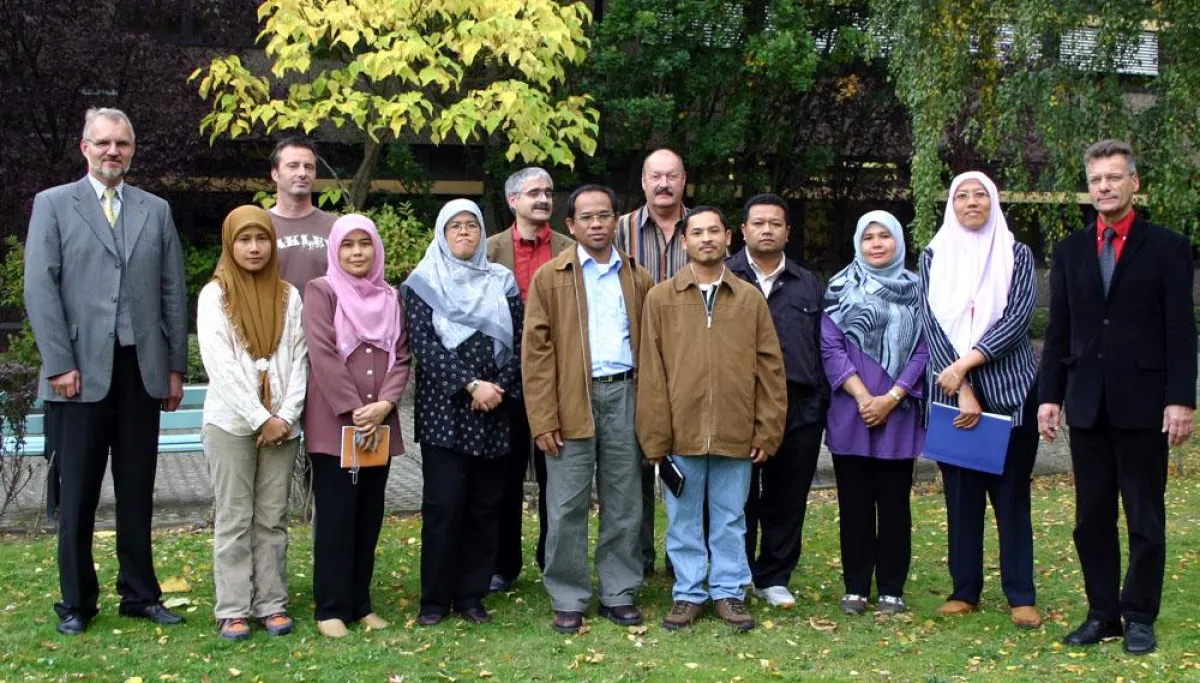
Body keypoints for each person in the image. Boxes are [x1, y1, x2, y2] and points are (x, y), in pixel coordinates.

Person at [24, 107, 188, 636]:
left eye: (121, 143)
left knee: (138, 490)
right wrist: (59, 363)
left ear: (132, 150)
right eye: (103, 143)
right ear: (85, 148)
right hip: (79, 373)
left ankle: (140, 594)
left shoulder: (155, 210)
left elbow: (171, 291)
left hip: (141, 371)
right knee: (77, 496)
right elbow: (40, 288)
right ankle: (77, 601)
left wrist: (175, 369)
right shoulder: (53, 205)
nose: (112, 151)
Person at [1039, 140, 1196, 655]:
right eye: (1096, 179)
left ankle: (1139, 616)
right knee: (1091, 519)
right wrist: (1050, 396)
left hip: (1145, 403)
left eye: (1113, 178)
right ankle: (1102, 613)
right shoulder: (1070, 251)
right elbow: (1060, 331)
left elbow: (1181, 329)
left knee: (1145, 518)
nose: (1103, 186)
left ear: (1134, 184)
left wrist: (1180, 399)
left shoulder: (1169, 248)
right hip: (1087, 404)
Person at [637, 206, 786, 632]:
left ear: (728, 239)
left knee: (730, 518)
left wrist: (767, 429)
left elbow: (771, 370)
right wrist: (655, 438)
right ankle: (688, 592)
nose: (706, 239)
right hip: (680, 436)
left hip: (735, 432)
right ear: (683, 242)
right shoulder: (661, 298)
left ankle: (729, 592)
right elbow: (651, 372)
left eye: (714, 232)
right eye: (697, 232)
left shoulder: (750, 299)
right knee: (683, 521)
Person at [522, 184, 654, 634]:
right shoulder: (550, 277)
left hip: (624, 396)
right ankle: (568, 593)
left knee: (625, 502)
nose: (596, 224)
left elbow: (654, 350)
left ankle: (619, 591)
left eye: (604, 215)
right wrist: (543, 418)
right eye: (586, 217)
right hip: (570, 400)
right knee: (565, 504)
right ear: (571, 225)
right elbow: (535, 355)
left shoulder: (638, 277)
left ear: (616, 220)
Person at [919, 171, 1042, 629]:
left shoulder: (1017, 254)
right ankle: (964, 590)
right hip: (955, 397)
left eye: (980, 195)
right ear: (952, 204)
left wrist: (966, 364)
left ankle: (1021, 594)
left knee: (1011, 499)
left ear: (993, 202)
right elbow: (930, 321)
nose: (971, 202)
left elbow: (1017, 318)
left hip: (1010, 392)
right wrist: (962, 386)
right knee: (961, 498)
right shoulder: (934, 255)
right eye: (961, 196)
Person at [402, 199, 524, 626]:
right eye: (454, 226)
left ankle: (471, 596)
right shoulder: (421, 283)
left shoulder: (502, 281)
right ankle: (434, 601)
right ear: (441, 233)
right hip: (446, 412)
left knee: (484, 508)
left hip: (494, 410)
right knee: (444, 506)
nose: (464, 233)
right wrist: (471, 385)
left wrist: (498, 387)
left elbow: (519, 340)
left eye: (472, 225)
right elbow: (423, 346)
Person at [197, 205, 308, 640]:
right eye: (244, 240)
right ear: (230, 244)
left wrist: (285, 415)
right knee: (234, 516)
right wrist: (261, 417)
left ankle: (271, 602)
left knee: (272, 517)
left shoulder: (288, 295)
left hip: (282, 424)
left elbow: (300, 358)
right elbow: (219, 364)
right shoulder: (215, 296)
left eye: (262, 238)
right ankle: (232, 606)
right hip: (231, 424)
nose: (254, 247)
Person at [303, 214, 412, 638]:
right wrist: (354, 409)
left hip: (379, 425)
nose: (356, 253)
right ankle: (330, 608)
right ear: (334, 249)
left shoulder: (391, 296)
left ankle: (360, 603)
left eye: (364, 244)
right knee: (336, 517)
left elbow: (401, 355)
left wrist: (385, 403)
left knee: (368, 515)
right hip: (336, 425)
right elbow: (323, 354)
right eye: (347, 245)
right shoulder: (322, 291)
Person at [820, 210, 929, 616]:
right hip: (852, 410)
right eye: (869, 238)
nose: (877, 244)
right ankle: (855, 587)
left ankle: (892, 589)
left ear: (899, 242)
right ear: (857, 244)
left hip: (898, 414)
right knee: (855, 505)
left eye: (885, 236)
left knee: (895, 505)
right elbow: (829, 347)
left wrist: (893, 397)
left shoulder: (919, 290)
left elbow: (924, 347)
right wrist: (865, 396)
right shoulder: (838, 287)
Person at [727, 193, 826, 609]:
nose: (767, 230)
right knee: (738, 497)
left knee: (787, 497)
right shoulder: (725, 277)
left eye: (775, 223)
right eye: (758, 223)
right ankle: (738, 573)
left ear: (788, 231)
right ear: (744, 230)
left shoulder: (808, 283)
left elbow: (826, 346)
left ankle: (775, 576)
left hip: (798, 407)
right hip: (739, 407)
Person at [485, 167, 574, 592]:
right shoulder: (488, 252)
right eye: (533, 192)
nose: (543, 199)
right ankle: (503, 565)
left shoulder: (570, 250)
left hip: (558, 381)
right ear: (512, 201)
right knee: (504, 478)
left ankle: (552, 559)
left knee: (558, 477)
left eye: (549, 192)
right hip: (504, 384)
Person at [616, 148, 690, 576]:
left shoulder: (700, 230)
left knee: (690, 465)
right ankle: (638, 560)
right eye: (655, 176)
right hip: (632, 366)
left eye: (672, 176)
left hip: (688, 365)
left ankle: (684, 560)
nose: (663, 184)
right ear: (643, 181)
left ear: (684, 180)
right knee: (632, 470)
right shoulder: (619, 230)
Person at [270, 137, 337, 295]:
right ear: (275, 174)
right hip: (271, 319)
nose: (302, 173)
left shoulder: (336, 227)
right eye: (293, 166)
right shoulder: (256, 226)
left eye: (309, 167)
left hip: (326, 320)